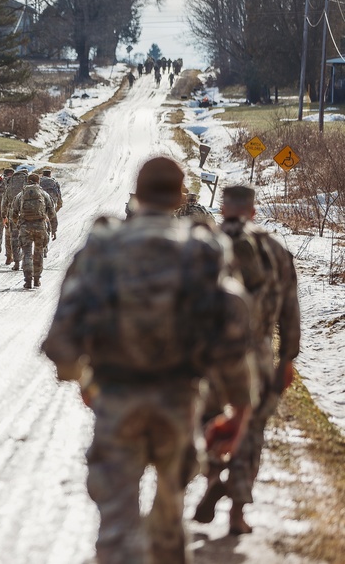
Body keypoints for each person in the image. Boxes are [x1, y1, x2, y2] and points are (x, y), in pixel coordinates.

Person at [42, 157, 255, 564]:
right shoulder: (203, 250)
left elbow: (62, 337)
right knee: (171, 510)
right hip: (179, 400)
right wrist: (239, 406)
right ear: (180, 197)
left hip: (116, 397)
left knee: (116, 518)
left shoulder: (104, 246)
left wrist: (85, 382)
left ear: (136, 195)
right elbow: (233, 331)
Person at [193, 185, 301, 535]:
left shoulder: (204, 244)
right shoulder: (276, 250)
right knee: (251, 427)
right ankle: (238, 512)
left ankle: (213, 476)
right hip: (258, 354)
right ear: (253, 211)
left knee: (210, 419)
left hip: (211, 353)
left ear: (223, 208)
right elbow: (290, 310)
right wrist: (287, 358)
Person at [10, 172, 57, 289]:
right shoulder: (44, 194)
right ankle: (36, 279)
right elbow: (52, 213)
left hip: (25, 227)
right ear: (38, 182)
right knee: (38, 252)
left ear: (27, 181)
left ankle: (27, 280)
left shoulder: (21, 195)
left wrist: (19, 224)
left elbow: (13, 213)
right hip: (40, 227)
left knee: (26, 253)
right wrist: (54, 229)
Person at [0, 166, 30, 270]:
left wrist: (4, 216)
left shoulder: (10, 185)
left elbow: (4, 202)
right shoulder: (29, 185)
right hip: (27, 215)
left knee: (14, 238)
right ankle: (26, 262)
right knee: (27, 239)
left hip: (13, 215)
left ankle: (16, 262)